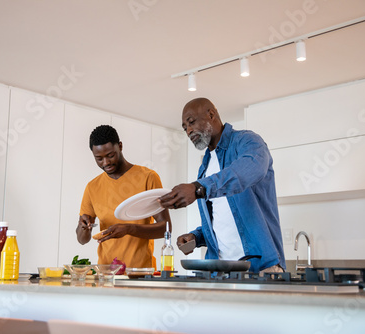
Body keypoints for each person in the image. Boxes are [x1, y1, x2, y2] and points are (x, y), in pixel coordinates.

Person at [159, 98, 286, 273]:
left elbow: (249, 170)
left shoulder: (248, 141)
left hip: (260, 267)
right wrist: (196, 237)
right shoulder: (205, 166)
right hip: (220, 270)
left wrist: (198, 188)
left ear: (211, 114)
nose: (188, 131)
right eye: (184, 128)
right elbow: (221, 220)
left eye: (191, 122)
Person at [76, 125, 170, 269]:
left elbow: (166, 228)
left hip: (141, 273)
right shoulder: (92, 187)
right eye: (99, 159)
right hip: (106, 273)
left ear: (120, 146)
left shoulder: (148, 177)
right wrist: (83, 228)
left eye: (110, 155)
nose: (106, 163)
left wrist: (129, 229)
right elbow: (82, 240)